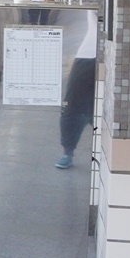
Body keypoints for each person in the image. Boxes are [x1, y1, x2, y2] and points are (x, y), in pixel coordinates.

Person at [56, 10, 99, 169]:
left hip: (110, 54)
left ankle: (107, 151)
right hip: (86, 54)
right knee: (71, 105)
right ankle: (67, 152)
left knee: (99, 109)